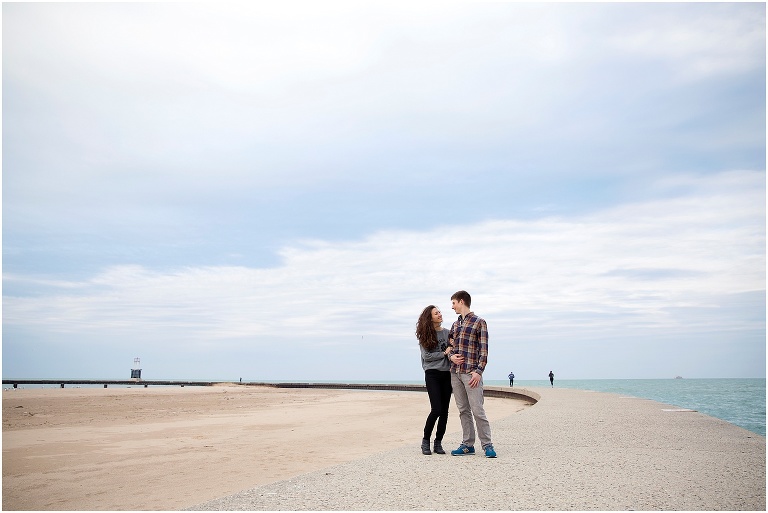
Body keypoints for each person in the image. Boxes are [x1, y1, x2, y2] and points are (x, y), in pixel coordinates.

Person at [445, 290, 497, 458]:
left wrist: (478, 372)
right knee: (463, 410)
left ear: (461, 301)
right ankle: (468, 444)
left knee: (477, 410)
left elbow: (484, 350)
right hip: (455, 374)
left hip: (471, 373)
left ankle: (487, 445)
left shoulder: (479, 322)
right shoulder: (454, 325)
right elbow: (449, 347)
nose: (452, 307)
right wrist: (451, 356)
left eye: (453, 303)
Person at [416, 305, 453, 455]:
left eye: (439, 312)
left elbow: (453, 351)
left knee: (444, 411)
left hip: (447, 374)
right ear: (429, 318)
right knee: (436, 409)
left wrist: (450, 354)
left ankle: (438, 443)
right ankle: (425, 441)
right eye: (436, 313)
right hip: (432, 374)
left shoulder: (448, 333)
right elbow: (427, 357)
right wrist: (444, 353)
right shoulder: (425, 335)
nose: (439, 314)